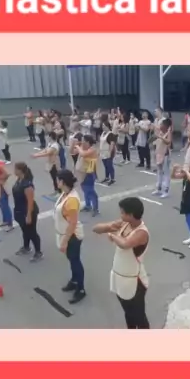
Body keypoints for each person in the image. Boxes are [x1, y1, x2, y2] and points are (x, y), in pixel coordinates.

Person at [93, 197, 150, 329]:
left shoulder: (141, 232)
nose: (120, 215)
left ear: (131, 215)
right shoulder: (124, 223)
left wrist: (112, 235)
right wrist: (109, 227)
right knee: (128, 313)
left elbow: (125, 244)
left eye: (123, 212)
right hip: (119, 277)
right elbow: (96, 228)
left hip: (134, 281)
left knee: (139, 316)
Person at [54, 170, 86, 303]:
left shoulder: (71, 200)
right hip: (65, 233)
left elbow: (72, 224)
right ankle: (74, 281)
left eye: (58, 180)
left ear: (62, 182)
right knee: (72, 260)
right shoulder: (65, 193)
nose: (56, 182)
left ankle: (81, 289)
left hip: (72, 236)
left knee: (75, 261)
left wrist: (64, 241)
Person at [11, 163, 42, 261]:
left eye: (15, 169)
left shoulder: (27, 185)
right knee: (25, 231)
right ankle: (26, 247)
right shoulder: (19, 180)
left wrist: (29, 215)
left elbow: (30, 202)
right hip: (20, 210)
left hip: (27, 211)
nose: (14, 170)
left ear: (20, 170)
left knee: (32, 232)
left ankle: (38, 252)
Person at [76, 134, 100, 217]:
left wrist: (78, 147)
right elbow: (72, 152)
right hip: (82, 173)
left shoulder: (92, 150)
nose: (81, 142)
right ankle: (88, 205)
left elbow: (83, 154)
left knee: (90, 191)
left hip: (89, 173)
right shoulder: (83, 148)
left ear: (88, 142)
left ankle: (95, 209)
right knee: (85, 190)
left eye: (83, 140)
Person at [152, 117, 172, 198]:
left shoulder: (168, 133)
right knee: (159, 172)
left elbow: (168, 142)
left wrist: (161, 137)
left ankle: (166, 191)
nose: (160, 126)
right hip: (158, 154)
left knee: (165, 173)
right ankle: (159, 189)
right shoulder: (160, 132)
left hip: (165, 155)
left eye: (161, 124)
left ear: (166, 126)